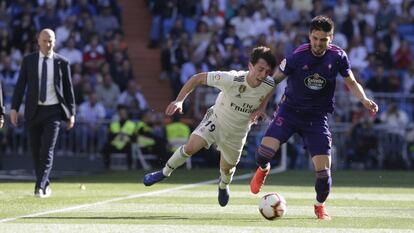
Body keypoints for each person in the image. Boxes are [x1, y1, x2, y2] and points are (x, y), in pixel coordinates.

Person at [249, 16, 378, 220]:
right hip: (289, 112)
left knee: (324, 174)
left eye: (323, 39)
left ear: (331, 38)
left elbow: (351, 82)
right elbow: (273, 82)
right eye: (315, 38)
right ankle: (264, 169)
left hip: (316, 119)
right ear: (309, 36)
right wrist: (261, 107)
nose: (318, 43)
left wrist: (364, 100)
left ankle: (319, 205)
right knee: (263, 154)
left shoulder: (338, 56)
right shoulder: (297, 56)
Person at [143, 46, 277, 207]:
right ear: (250, 65)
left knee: (227, 169)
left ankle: (223, 185)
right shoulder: (231, 79)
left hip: (238, 132)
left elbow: (270, 88)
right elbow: (196, 78)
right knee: (190, 147)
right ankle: (164, 172)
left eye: (267, 72)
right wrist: (179, 100)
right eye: (260, 69)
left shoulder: (268, 83)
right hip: (216, 121)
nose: (263, 75)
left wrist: (261, 107)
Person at [10, 28, 76, 198]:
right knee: (35, 150)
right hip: (33, 111)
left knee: (47, 150)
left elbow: (69, 90)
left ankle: (39, 187)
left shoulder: (62, 62)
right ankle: (44, 183)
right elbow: (20, 86)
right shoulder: (29, 61)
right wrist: (14, 108)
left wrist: (71, 113)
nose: (48, 44)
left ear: (55, 42)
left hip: (53, 111)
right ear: (38, 41)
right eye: (45, 41)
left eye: (51, 41)